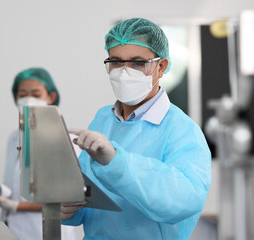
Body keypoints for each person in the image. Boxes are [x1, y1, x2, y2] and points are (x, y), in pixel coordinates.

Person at [61, 18, 212, 240]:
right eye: (116, 62)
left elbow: (183, 201)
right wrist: (69, 210)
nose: (124, 72)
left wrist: (117, 162)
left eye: (137, 63)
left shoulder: (182, 131)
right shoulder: (103, 118)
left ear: (161, 67)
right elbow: (87, 195)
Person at [0, 67, 79, 240]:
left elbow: (65, 199)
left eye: (36, 94)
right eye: (22, 94)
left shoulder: (65, 138)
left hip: (47, 230)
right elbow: (15, 184)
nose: (28, 99)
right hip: (13, 227)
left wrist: (16, 206)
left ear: (50, 97)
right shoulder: (14, 137)